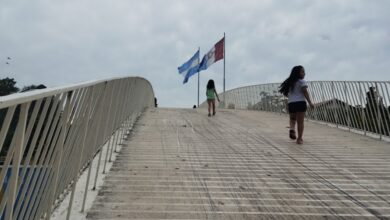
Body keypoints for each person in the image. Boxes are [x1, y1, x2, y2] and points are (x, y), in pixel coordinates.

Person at [279, 65, 314, 144]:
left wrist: (291, 98)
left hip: (291, 103)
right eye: (302, 72)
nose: (304, 73)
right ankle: (299, 139)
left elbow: (286, 93)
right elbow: (305, 92)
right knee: (300, 122)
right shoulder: (302, 82)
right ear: (298, 73)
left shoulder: (289, 82)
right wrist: (310, 102)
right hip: (300, 103)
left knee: (292, 119)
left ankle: (292, 129)